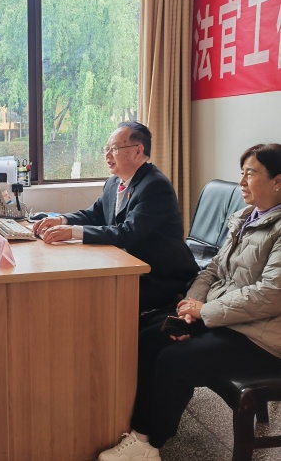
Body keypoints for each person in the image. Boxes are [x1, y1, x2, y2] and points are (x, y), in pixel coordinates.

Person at [97, 143, 281, 461]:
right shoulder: (246, 217)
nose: (241, 182)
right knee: (148, 333)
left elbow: (270, 295)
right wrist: (191, 308)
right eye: (241, 173)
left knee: (174, 358)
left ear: (278, 181)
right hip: (230, 319)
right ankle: (138, 429)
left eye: (250, 174)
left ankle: (149, 444)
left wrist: (205, 311)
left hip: (261, 339)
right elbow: (213, 270)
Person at [34, 121, 199, 313]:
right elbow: (94, 214)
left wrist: (72, 232)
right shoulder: (114, 182)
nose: (107, 155)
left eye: (114, 149)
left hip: (159, 277)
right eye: (106, 149)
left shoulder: (155, 186)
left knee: (93, 296)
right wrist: (62, 220)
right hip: (127, 266)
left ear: (138, 151)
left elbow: (127, 233)